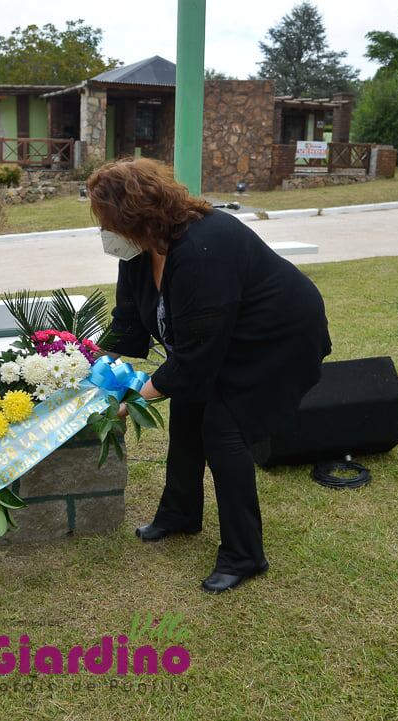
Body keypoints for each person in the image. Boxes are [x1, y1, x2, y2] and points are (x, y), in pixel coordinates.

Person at [87, 158, 332, 594]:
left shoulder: (204, 247)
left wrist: (137, 395)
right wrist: (90, 366)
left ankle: (244, 555)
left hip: (276, 337)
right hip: (223, 336)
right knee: (187, 414)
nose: (103, 233)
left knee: (223, 429)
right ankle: (180, 515)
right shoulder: (140, 248)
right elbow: (128, 320)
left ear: (134, 216)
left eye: (106, 221)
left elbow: (196, 357)